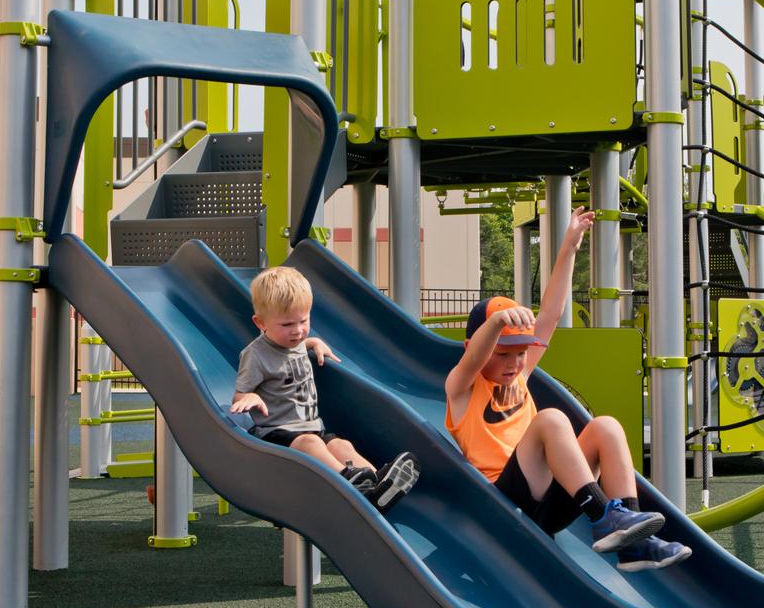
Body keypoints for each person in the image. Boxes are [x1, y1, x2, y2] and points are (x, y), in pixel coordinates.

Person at [445, 208, 690, 572]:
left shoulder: (519, 375)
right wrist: (496, 321)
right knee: (551, 420)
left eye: (521, 354)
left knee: (605, 425)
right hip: (503, 505)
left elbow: (552, 314)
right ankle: (602, 516)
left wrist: (570, 247)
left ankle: (633, 541)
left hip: (551, 504)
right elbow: (475, 356)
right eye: (503, 354)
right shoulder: (462, 389)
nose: (514, 364)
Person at [232, 266, 418, 510]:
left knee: (341, 445)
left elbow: (301, 344)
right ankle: (349, 480)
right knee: (311, 443)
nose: (297, 330)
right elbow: (240, 393)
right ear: (260, 322)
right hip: (277, 433)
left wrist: (316, 342)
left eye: (304, 320)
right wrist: (250, 397)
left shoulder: (295, 342)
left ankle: (379, 483)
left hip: (312, 428)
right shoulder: (255, 355)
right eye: (287, 324)